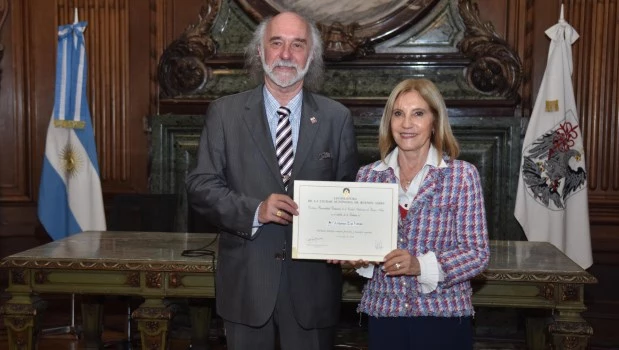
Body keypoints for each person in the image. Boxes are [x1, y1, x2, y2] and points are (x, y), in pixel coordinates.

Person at [186, 11, 359, 350]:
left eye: (297, 45)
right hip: (246, 284)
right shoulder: (225, 113)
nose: (285, 54)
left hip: (313, 289)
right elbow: (201, 186)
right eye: (276, 43)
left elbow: (347, 194)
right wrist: (255, 210)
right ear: (260, 51)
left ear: (311, 55)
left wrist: (348, 240)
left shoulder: (336, 118)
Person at [352, 78, 489, 349]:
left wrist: (420, 265)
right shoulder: (368, 176)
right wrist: (354, 255)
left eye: (418, 113)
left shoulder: (462, 176)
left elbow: (477, 254)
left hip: (443, 314)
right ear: (389, 122)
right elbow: (365, 252)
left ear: (435, 122)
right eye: (398, 114)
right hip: (384, 313)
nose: (406, 124)